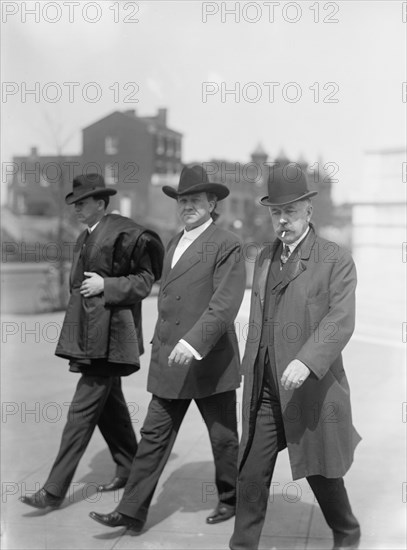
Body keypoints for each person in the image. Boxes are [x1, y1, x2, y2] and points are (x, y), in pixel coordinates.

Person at [89, 164, 246, 531]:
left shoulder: (227, 244)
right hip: (170, 362)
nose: (187, 205)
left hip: (209, 361)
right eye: (182, 199)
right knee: (154, 436)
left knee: (223, 439)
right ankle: (131, 511)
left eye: (195, 199)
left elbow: (225, 303)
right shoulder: (174, 241)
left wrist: (193, 342)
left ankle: (231, 498)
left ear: (212, 202)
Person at [229, 164, 361, 550]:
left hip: (310, 390)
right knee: (251, 473)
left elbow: (341, 320)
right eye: (275, 212)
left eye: (290, 211)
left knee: (321, 472)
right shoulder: (266, 257)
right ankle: (242, 545)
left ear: (308, 210)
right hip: (265, 390)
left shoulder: (334, 258)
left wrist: (306, 360)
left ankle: (347, 531)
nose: (282, 220)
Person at [20, 173, 164, 509]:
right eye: (74, 204)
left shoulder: (126, 232)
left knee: (80, 413)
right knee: (109, 407)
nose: (76, 209)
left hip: (110, 340)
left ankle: (54, 490)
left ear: (101, 203)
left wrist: (107, 286)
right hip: (90, 337)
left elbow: (145, 281)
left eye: (82, 203)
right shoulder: (87, 235)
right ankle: (129, 465)